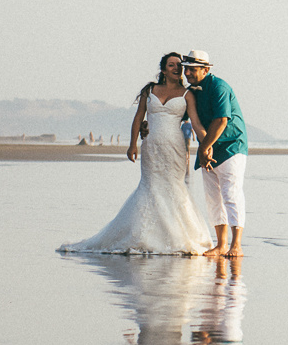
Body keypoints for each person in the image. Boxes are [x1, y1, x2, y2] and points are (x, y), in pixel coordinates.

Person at [58, 53, 214, 255]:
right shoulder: (150, 90)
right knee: (151, 186)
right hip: (151, 147)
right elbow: (139, 117)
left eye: (179, 65)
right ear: (163, 69)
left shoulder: (187, 94)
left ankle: (176, 236)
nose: (177, 68)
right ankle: (144, 234)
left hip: (174, 148)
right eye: (171, 65)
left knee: (174, 186)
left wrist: (207, 145)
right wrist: (132, 144)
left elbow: (196, 123)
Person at [181, 50, 248, 258]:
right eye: (186, 69)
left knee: (231, 193)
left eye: (192, 69)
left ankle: (236, 244)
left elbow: (221, 120)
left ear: (205, 70)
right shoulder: (191, 92)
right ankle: (221, 244)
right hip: (207, 148)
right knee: (212, 198)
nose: (187, 73)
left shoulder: (219, 87)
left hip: (230, 146)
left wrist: (204, 147)